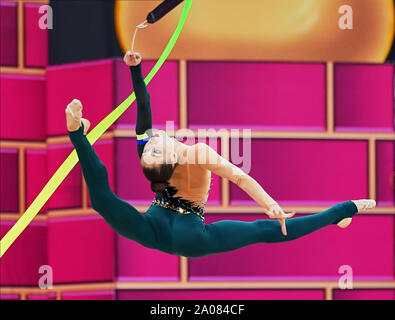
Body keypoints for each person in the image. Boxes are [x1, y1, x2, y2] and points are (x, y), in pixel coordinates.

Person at [65, 51, 376, 258]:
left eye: (154, 144)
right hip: (163, 229)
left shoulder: (174, 150)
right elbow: (237, 175)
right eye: (154, 146)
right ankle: (78, 134)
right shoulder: (178, 153)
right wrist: (270, 205)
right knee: (102, 201)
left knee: (269, 230)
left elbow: (143, 107)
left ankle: (340, 212)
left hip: (178, 233)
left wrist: (134, 68)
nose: (154, 138)